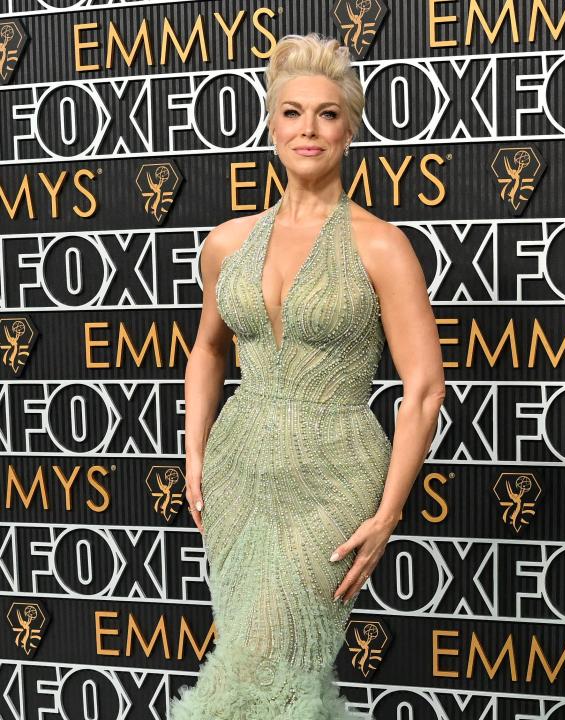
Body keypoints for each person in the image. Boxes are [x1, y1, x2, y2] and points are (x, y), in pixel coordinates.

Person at [169, 33, 445, 718]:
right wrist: (194, 449)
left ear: (349, 128)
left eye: (326, 113)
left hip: (334, 473)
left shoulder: (381, 244)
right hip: (238, 473)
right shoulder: (228, 242)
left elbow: (424, 388)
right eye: (292, 112)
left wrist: (387, 513)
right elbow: (207, 350)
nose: (308, 129)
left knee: (264, 664)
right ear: (272, 125)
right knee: (264, 658)